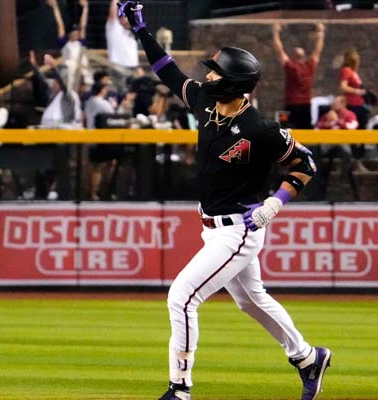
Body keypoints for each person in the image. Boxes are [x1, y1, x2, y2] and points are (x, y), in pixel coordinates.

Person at [116, 3, 332, 400]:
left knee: (181, 298)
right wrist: (140, 29)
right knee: (252, 301)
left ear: (232, 83)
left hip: (240, 230)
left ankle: (180, 388)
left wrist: (275, 204)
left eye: (215, 71)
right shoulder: (206, 105)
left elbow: (306, 163)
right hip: (212, 228)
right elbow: (167, 70)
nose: (207, 76)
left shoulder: (261, 128)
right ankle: (307, 357)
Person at [272, 22, 325, 129]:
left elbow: (279, 50)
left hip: (291, 103)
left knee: (285, 130)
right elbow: (318, 50)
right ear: (304, 55)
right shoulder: (309, 66)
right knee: (305, 131)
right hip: (305, 104)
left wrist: (275, 32)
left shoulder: (290, 66)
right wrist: (321, 32)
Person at [312, 95, 359, 200]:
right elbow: (317, 128)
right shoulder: (327, 115)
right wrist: (327, 123)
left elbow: (353, 127)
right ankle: (315, 180)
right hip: (328, 143)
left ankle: (344, 179)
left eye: (336, 103)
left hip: (342, 141)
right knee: (315, 150)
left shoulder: (349, 115)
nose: (333, 105)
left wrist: (338, 121)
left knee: (347, 152)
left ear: (343, 104)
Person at [48, 0, 89, 91]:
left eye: (77, 32)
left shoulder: (80, 43)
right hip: (71, 74)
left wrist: (85, 8)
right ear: (69, 34)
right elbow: (60, 24)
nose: (76, 34)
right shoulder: (64, 44)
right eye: (73, 32)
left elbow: (83, 26)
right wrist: (55, 7)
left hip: (83, 73)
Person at [107, 0, 140, 86]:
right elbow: (112, 11)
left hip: (133, 69)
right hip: (118, 68)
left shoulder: (132, 33)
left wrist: (137, 68)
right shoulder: (114, 27)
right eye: (127, 16)